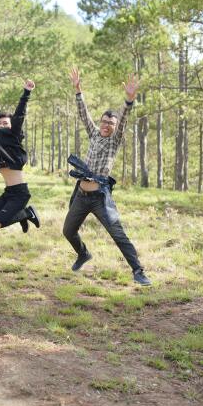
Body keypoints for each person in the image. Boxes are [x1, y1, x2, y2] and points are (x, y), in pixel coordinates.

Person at [63, 68, 151, 286]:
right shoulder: (94, 133)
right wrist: (78, 90)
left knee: (118, 234)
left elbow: (123, 120)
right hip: (82, 195)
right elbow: (84, 114)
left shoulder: (115, 139)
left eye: (110, 123)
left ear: (114, 127)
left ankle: (138, 271)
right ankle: (83, 254)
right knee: (68, 231)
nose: (105, 125)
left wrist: (128, 101)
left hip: (100, 198)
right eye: (103, 121)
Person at [0, 81, 40, 232]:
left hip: (20, 193)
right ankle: (22, 216)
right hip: (9, 192)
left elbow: (20, 113)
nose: (2, 125)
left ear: (11, 126)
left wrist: (26, 93)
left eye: (5, 123)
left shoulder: (13, 134)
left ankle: (27, 213)